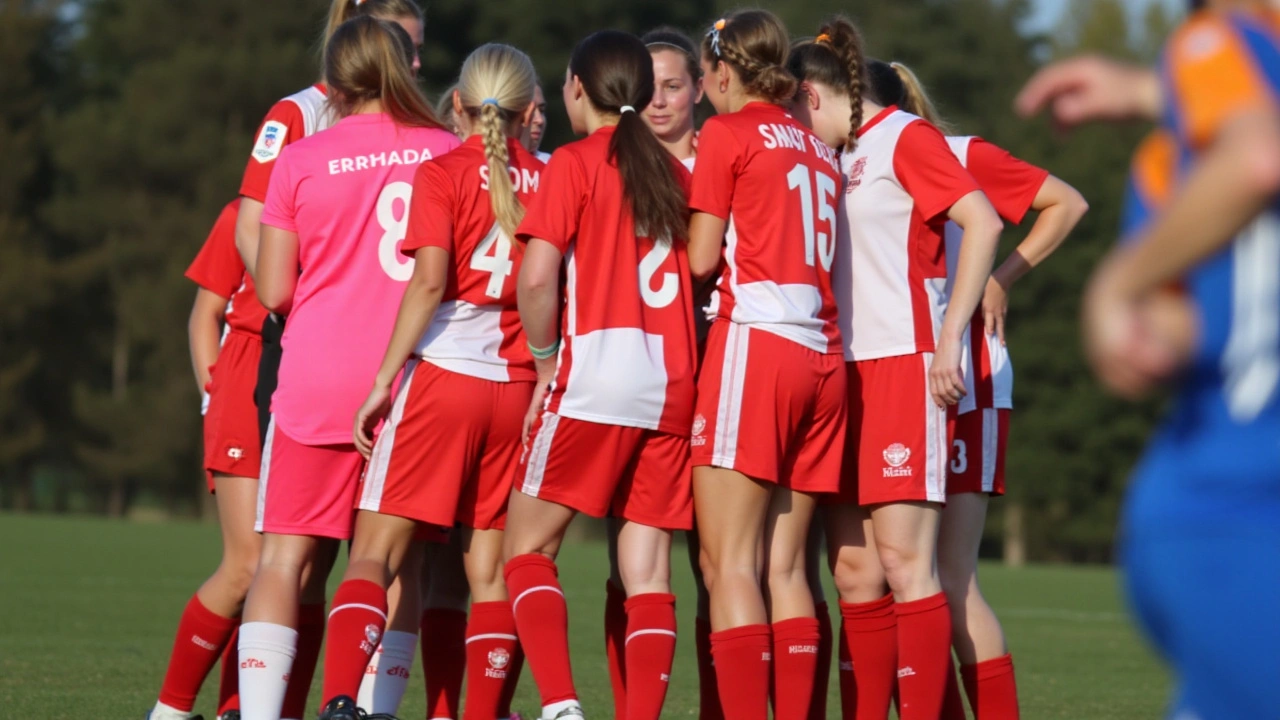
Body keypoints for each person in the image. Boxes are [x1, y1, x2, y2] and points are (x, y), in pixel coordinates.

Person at [1028, 2, 1280, 717]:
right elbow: (1190, 319)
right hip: (1240, 510)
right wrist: (1142, 318)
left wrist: (1118, 283)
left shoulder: (1206, 77)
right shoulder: (1189, 115)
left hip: (1224, 513)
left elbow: (1256, 154)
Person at [237, 16, 458, 720]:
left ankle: (265, 711)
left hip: (318, 377)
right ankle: (374, 708)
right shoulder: (447, 150)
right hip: (413, 382)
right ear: (404, 70)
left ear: (331, 82)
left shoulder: (302, 158)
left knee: (282, 561)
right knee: (398, 563)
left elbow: (273, 290)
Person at [316, 42, 543, 720]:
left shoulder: (441, 171)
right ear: (532, 111)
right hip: (519, 385)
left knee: (373, 556)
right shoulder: (553, 175)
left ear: (458, 106)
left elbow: (430, 283)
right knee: (486, 572)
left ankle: (338, 703)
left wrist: (383, 379)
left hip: (444, 379)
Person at [787, 18, 1004, 720]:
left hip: (900, 366)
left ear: (810, 98)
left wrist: (948, 339)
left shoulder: (905, 137)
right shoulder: (836, 155)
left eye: (791, 112)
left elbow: (984, 220)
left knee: (910, 566)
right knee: (853, 571)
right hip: (836, 374)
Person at [869, 58, 1089, 720]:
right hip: (908, 376)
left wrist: (1002, 278)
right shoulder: (857, 171)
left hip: (971, 378)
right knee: (906, 575)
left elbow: (1067, 202)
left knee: (951, 576)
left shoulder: (958, 154)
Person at [503, 29, 696, 720]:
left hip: (597, 376)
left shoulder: (578, 162)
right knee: (647, 575)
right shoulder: (678, 172)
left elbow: (536, 276)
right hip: (674, 384)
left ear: (577, 89)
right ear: (646, 94)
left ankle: (559, 707)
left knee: (524, 549)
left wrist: (546, 360)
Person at [688, 11, 846, 720]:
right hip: (824, 355)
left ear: (723, 70)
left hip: (759, 344)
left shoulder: (727, 132)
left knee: (729, 566)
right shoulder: (815, 145)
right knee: (787, 567)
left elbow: (700, 258)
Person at [599, 26, 703, 720]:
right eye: (647, 88)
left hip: (714, 383)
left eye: (672, 85)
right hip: (629, 388)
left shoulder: (725, 163)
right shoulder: (611, 165)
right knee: (627, 568)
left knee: (721, 573)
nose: (659, 101)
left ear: (701, 88)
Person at [146, 199, 266, 720]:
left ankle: (237, 710)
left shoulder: (346, 196)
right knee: (248, 565)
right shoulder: (244, 211)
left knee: (293, 576)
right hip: (245, 385)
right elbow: (205, 314)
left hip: (313, 388)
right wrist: (212, 397)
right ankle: (168, 713)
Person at [522, 84, 550, 162]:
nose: (540, 120)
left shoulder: (553, 164)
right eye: (530, 110)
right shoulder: (488, 165)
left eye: (542, 110)